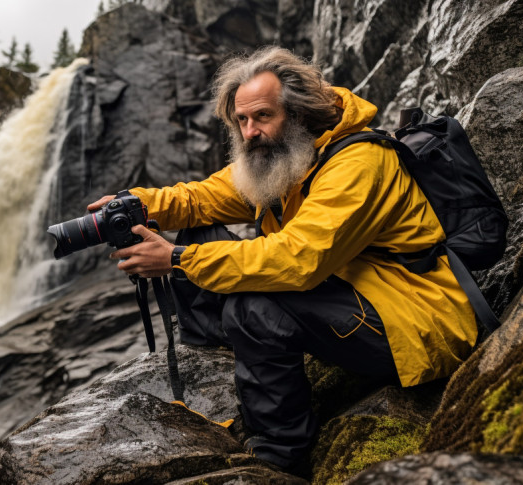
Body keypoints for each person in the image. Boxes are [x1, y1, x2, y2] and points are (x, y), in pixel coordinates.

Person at [87, 46, 477, 471]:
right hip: (348, 295)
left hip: (411, 318)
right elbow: (201, 198)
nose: (250, 131)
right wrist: (135, 207)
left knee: (254, 306)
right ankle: (219, 362)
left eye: (263, 116)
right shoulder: (286, 159)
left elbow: (299, 259)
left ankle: (280, 456)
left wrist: (177, 259)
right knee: (200, 230)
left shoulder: (360, 162)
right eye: (242, 120)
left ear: (299, 113)